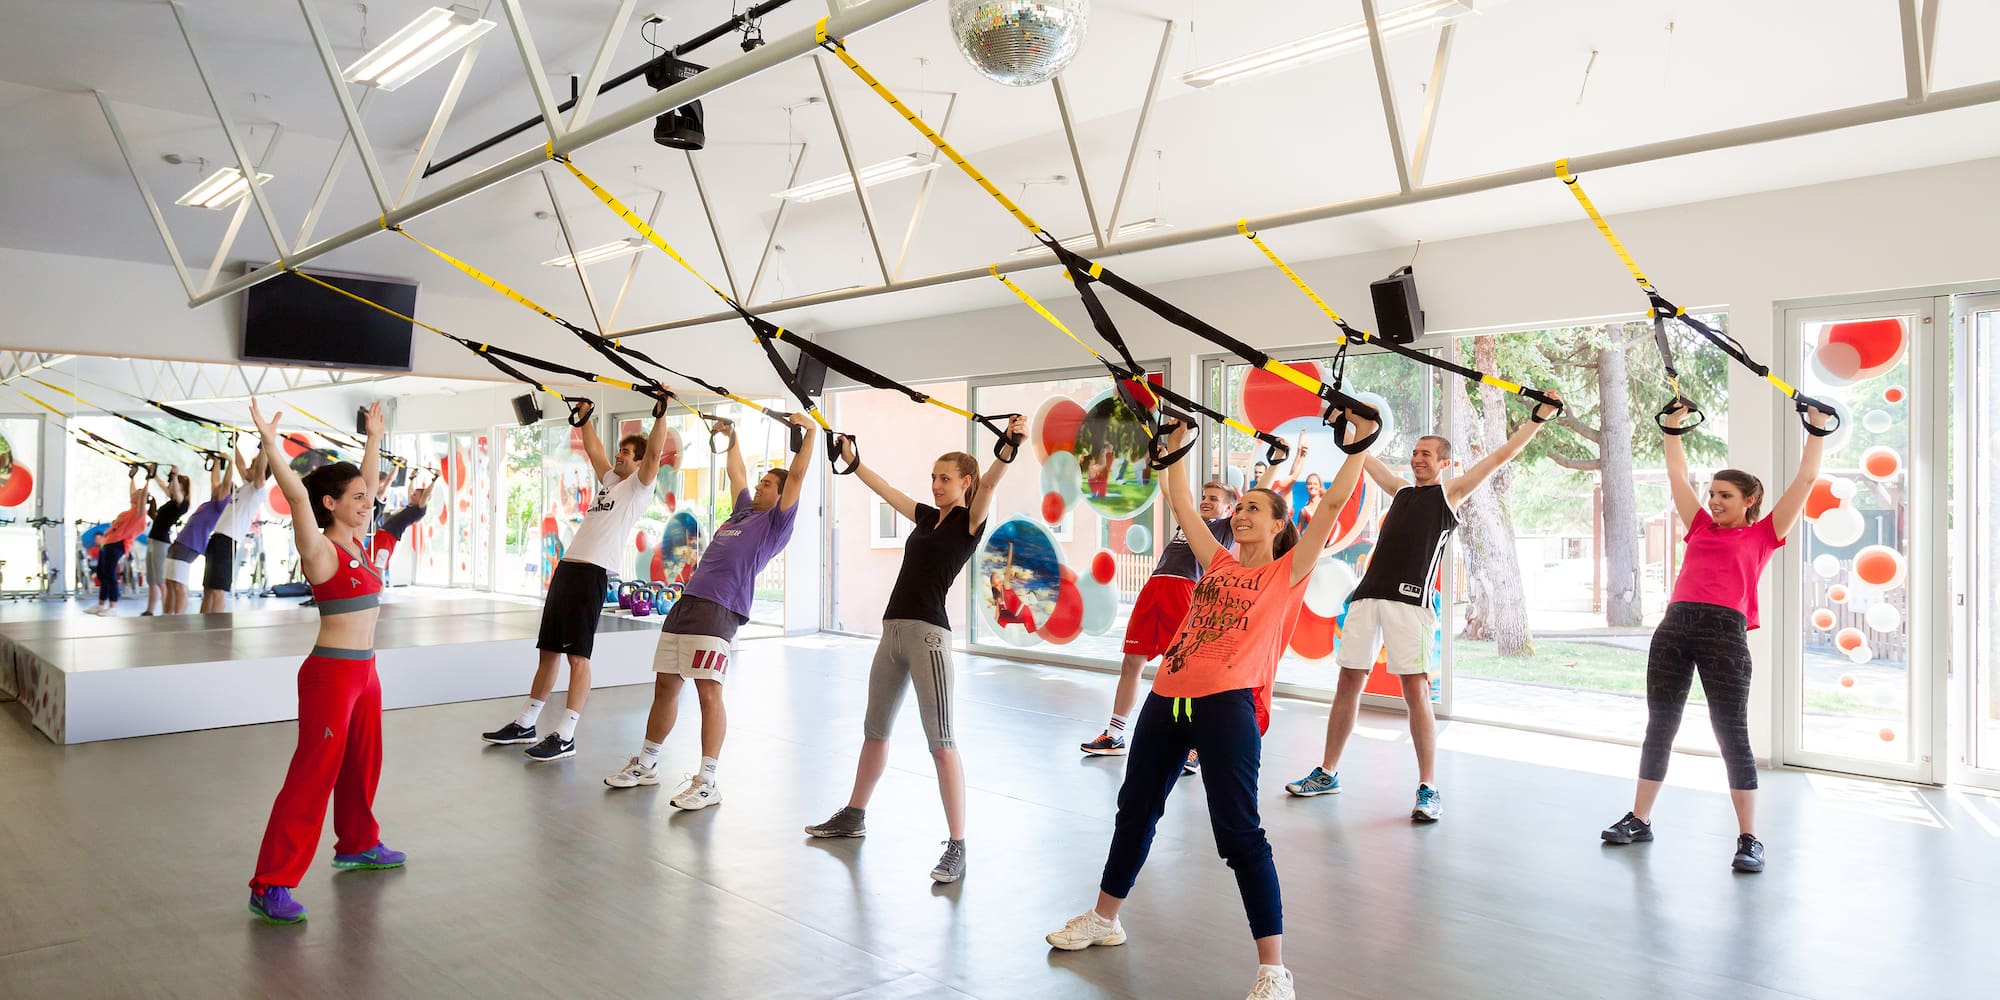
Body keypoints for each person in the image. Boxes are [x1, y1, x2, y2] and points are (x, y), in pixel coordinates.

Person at [1043, 413, 1376, 1000]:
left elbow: (1329, 507)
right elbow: (1180, 501)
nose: (1241, 514)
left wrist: (1358, 449)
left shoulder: (1288, 571)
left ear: (1278, 524)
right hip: (1167, 698)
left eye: (1254, 509)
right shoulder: (1218, 561)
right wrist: (1174, 449)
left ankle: (1273, 968)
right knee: (1135, 810)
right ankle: (1105, 918)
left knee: (1239, 834)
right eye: (1239, 507)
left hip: (1228, 705)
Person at [1284, 393, 1561, 821]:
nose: (1417, 459)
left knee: (1415, 690)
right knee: (1347, 683)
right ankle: (1328, 772)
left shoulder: (1450, 494)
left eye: (1426, 454)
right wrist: (1345, 422)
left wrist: (1537, 420)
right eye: (1414, 453)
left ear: (1444, 463)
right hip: (1368, 595)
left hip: (1410, 603)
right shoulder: (1399, 491)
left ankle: (1428, 787)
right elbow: (1362, 453)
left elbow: (1500, 457)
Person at [1600, 402, 1829, 872]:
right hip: (1674, 630)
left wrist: (1817, 430)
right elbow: (1676, 476)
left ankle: (1749, 838)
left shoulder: (1764, 534)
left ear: (1749, 499)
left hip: (1725, 636)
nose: (1714, 501)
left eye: (1725, 495)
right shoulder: (1701, 527)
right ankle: (1639, 819)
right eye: (1712, 494)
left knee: (1731, 733)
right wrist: (1672, 429)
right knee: (1660, 726)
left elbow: (1805, 481)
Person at [804, 415, 1027, 885]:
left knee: (940, 743)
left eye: (945, 478)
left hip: (929, 637)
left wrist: (1009, 445)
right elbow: (886, 490)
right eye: (933, 477)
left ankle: (957, 844)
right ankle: (854, 814)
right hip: (892, 634)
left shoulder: (969, 521)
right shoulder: (927, 517)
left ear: (965, 483)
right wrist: (852, 461)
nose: (936, 484)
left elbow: (991, 482)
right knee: (874, 732)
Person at [605, 414, 817, 808]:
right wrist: (732, 436)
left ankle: (707, 781)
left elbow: (799, 475)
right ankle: (647, 764)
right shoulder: (743, 512)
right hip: (688, 603)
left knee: (707, 692)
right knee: (666, 685)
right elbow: (736, 473)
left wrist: (811, 434)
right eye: (761, 482)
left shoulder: (775, 523)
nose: (759, 487)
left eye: (768, 484)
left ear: (782, 495)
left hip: (720, 609)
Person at [244, 400, 402, 925]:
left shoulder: (358, 541)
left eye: (367, 497)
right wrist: (271, 444)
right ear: (329, 503)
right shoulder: (320, 550)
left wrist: (374, 438)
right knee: (313, 776)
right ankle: (271, 883)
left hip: (366, 673)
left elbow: (369, 481)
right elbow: (296, 494)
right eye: (356, 498)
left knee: (362, 764)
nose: (368, 502)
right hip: (332, 675)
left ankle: (357, 843)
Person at [483, 401, 669, 762]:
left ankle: (566, 734)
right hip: (567, 570)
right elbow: (595, 451)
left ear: (639, 462)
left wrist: (660, 416)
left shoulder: (638, 489)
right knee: (548, 651)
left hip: (591, 574)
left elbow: (655, 453)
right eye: (621, 450)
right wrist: (584, 420)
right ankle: (525, 723)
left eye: (627, 453)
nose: (619, 455)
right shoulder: (611, 483)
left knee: (577, 657)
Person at [1079, 461, 1281, 772]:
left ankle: (1195, 746)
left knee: (1184, 669)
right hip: (1155, 587)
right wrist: (1165, 459)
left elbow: (1258, 494)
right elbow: (1171, 492)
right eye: (1204, 496)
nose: (1206, 501)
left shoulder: (1224, 528)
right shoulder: (1189, 523)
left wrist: (1274, 464)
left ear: (1230, 509)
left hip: (1185, 590)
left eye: (1214, 499)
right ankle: (1115, 734)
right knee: (1131, 662)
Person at [203, 443, 268, 614]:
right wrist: (236, 443)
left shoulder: (257, 491)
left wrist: (265, 446)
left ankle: (216, 627)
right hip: (217, 539)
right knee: (208, 589)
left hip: (227, 541)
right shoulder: (246, 486)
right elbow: (240, 464)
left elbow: (261, 470)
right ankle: (203, 625)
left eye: (253, 467)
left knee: (217, 590)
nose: (248, 468)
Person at [165, 462, 234, 615]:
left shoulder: (221, 505)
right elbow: (214, 480)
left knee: (179, 583)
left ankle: (178, 618)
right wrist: (217, 461)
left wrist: (230, 462)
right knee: (170, 581)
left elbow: (225, 482)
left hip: (192, 544)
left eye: (222, 487)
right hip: (181, 542)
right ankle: (168, 616)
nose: (217, 486)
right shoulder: (211, 503)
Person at [85, 478, 149, 616]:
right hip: (107, 543)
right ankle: (101, 604)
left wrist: (148, 479)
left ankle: (112, 607)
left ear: (142, 500)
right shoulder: (130, 510)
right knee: (102, 574)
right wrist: (132, 478)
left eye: (136, 495)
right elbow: (132, 492)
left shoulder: (139, 515)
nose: (133, 495)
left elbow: (143, 496)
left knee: (110, 575)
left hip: (117, 545)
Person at [143, 468, 190, 616]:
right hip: (153, 539)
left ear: (182, 487)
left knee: (161, 580)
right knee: (152, 579)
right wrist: (154, 473)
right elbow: (165, 486)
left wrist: (174, 475)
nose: (171, 485)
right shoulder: (172, 500)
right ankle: (150, 611)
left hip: (161, 542)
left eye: (175, 483)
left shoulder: (182, 504)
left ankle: (166, 613)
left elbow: (176, 491)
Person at [369, 475, 434, 579]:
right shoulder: (411, 505)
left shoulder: (419, 510)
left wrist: (434, 480)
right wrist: (412, 479)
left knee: (379, 565)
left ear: (421, 499)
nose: (412, 495)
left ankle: (379, 587)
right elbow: (410, 491)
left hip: (389, 537)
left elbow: (426, 494)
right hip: (382, 534)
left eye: (415, 495)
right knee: (370, 561)